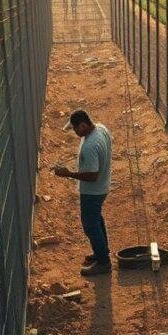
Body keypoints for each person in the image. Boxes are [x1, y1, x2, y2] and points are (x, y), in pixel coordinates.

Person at [54, 109, 113, 276]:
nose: (75, 132)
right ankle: (102, 252)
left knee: (90, 225)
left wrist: (68, 173)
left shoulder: (90, 145)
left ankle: (103, 263)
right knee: (96, 220)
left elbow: (92, 176)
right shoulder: (101, 129)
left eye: (75, 129)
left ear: (83, 125)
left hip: (93, 191)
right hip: (102, 187)